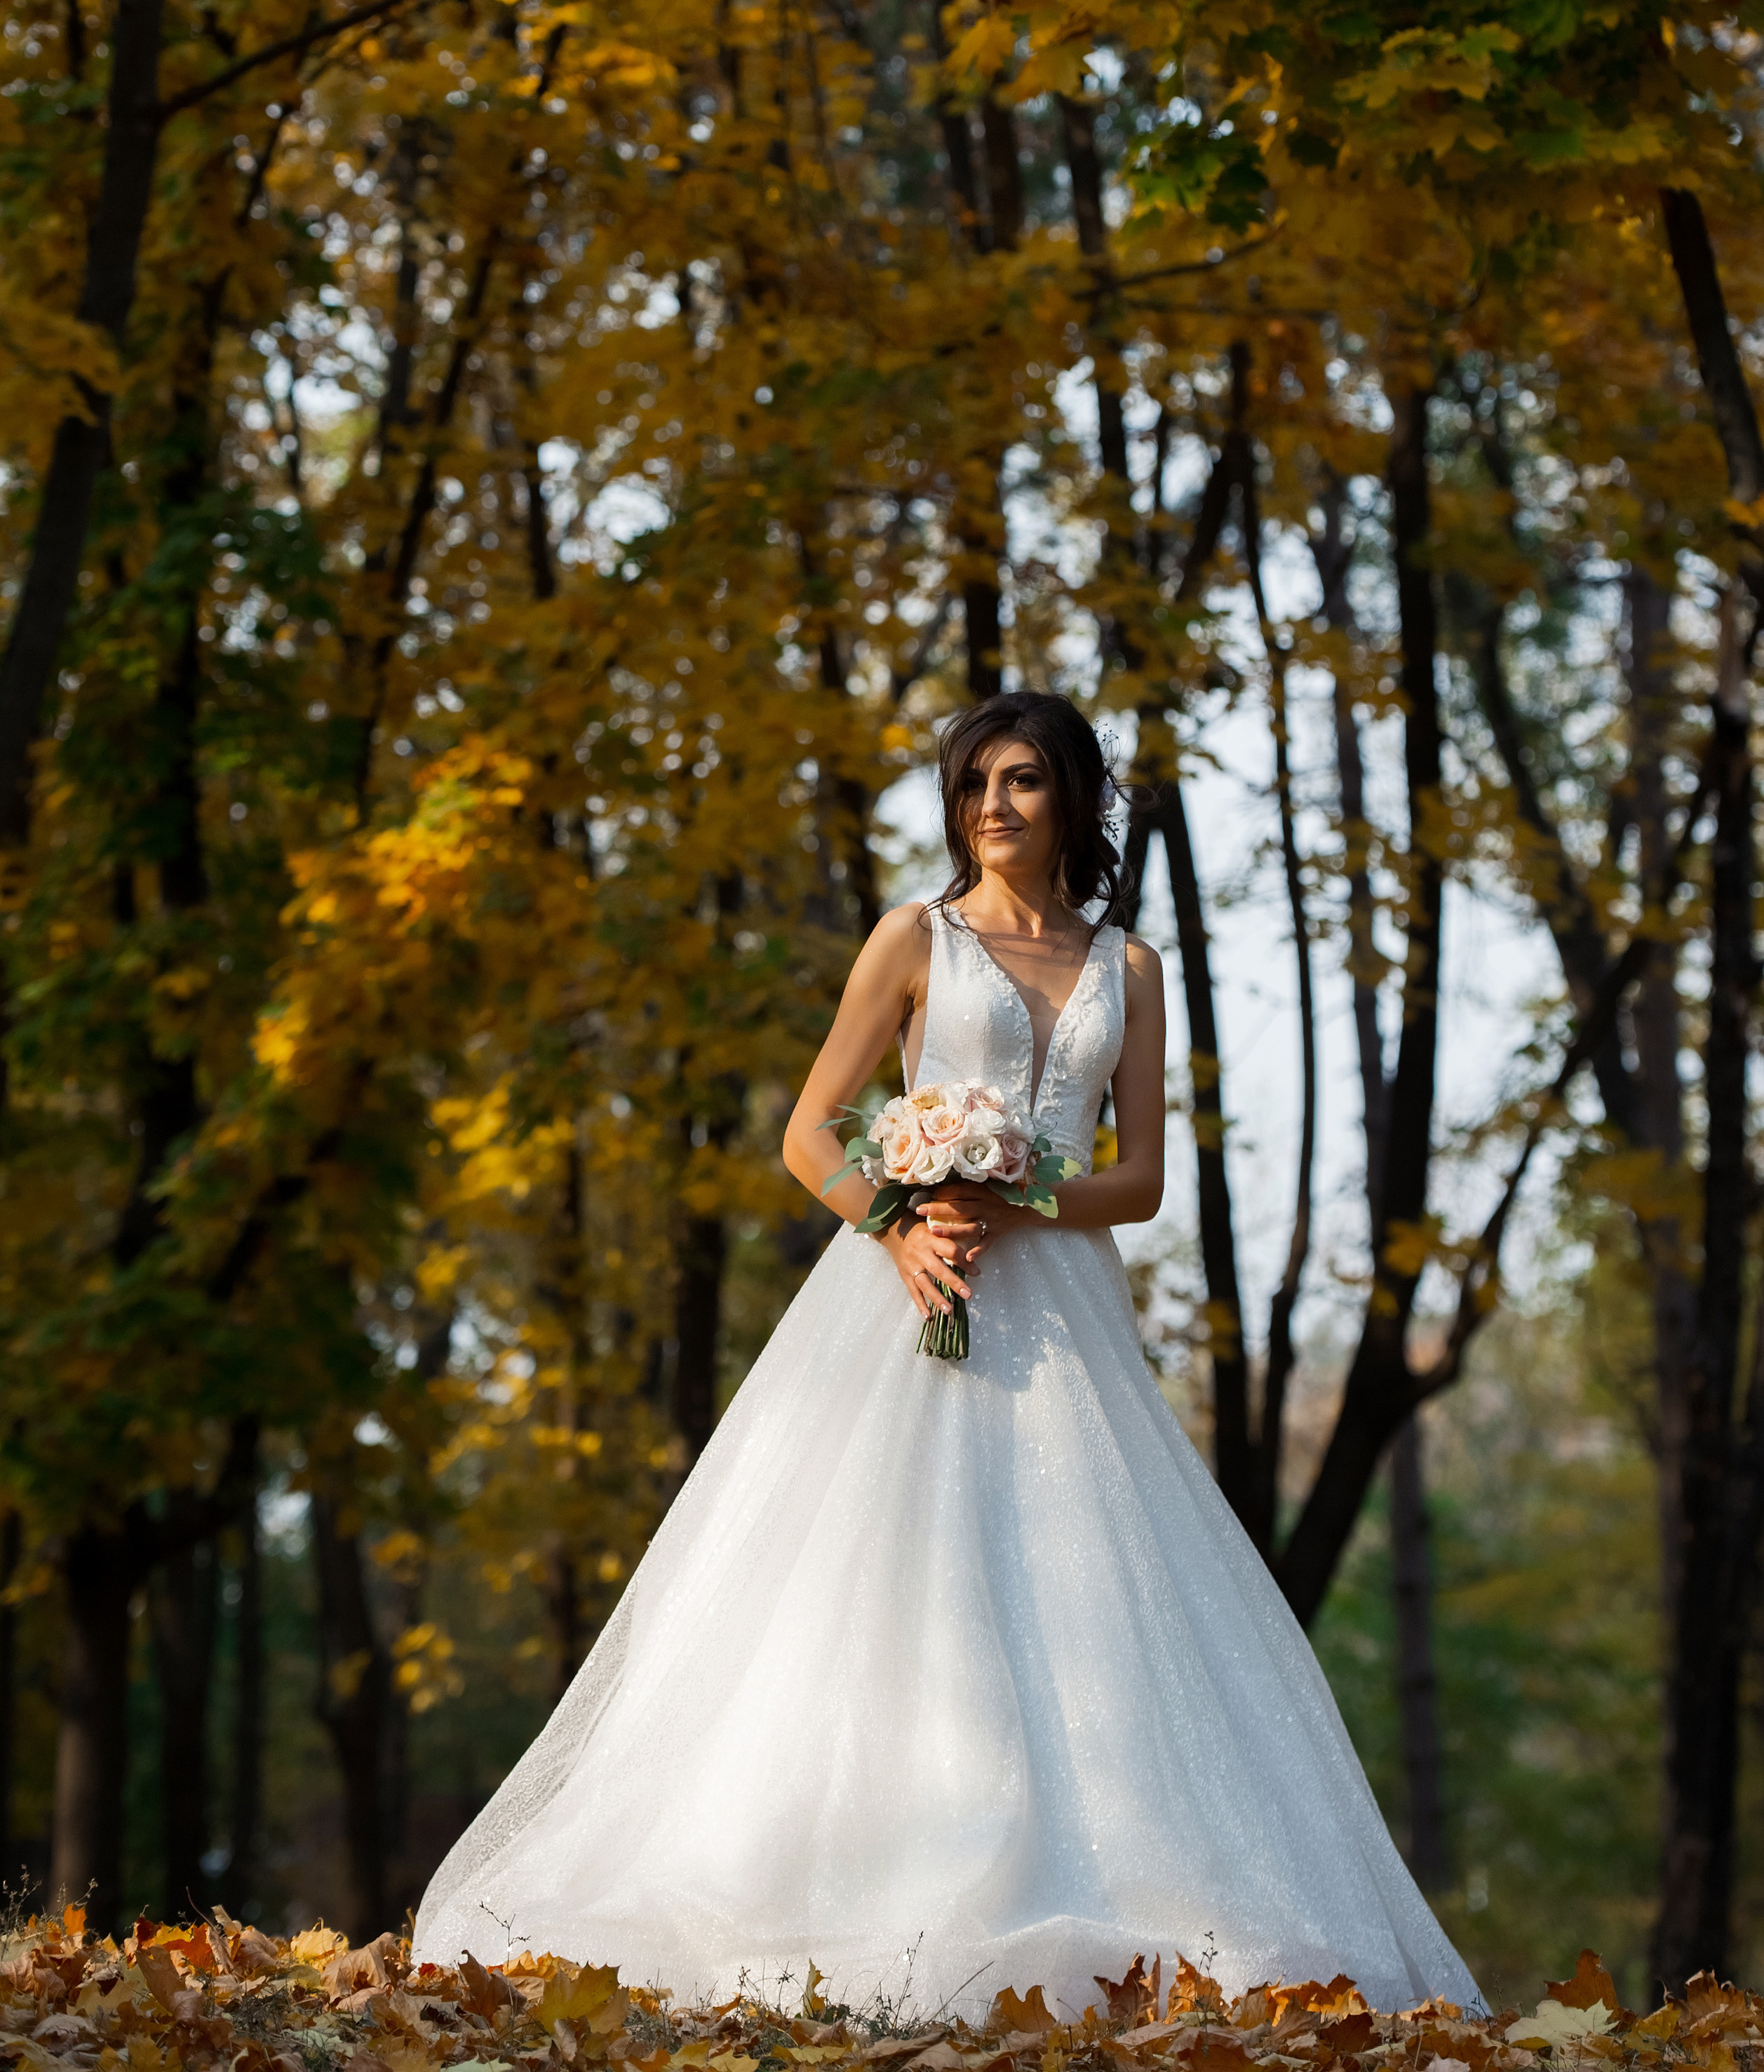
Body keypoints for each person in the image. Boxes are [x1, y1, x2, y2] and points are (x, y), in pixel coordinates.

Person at [412, 693, 1480, 2021]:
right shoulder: (912, 940)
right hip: (907, 1295)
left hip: (1065, 1311)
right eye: (974, 782)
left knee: (1083, 1580)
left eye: (1024, 781)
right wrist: (899, 1228)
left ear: (1076, 799)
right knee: (870, 1574)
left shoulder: (1130, 970)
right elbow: (811, 1132)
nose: (993, 805)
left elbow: (1139, 1180)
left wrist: (1020, 1186)